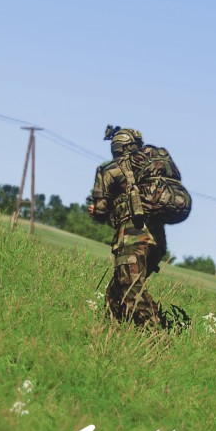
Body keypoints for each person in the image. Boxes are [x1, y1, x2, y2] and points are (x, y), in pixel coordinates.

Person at [88, 127, 182, 328]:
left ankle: (156, 334)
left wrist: (95, 209)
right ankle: (113, 330)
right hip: (157, 239)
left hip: (133, 236)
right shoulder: (150, 166)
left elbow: (101, 209)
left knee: (131, 289)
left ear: (116, 147)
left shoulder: (110, 170)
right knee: (116, 291)